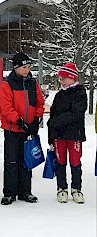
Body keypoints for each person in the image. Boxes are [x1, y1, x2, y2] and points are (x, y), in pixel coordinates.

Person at [0, 53, 45, 205]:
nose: (26, 70)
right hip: (12, 129)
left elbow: (39, 103)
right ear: (16, 68)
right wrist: (18, 121)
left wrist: (36, 119)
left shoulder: (33, 83)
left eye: (28, 67)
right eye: (23, 67)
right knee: (11, 161)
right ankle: (9, 193)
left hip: (28, 130)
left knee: (26, 161)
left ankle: (25, 191)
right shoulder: (8, 84)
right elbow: (6, 107)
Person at [47, 62, 87, 204]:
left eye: (64, 78)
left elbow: (76, 113)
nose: (61, 81)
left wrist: (56, 121)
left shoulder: (80, 93)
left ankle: (76, 189)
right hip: (59, 136)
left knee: (75, 162)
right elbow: (52, 116)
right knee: (60, 162)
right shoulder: (59, 95)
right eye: (60, 78)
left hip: (74, 135)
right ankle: (61, 188)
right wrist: (51, 135)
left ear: (72, 78)